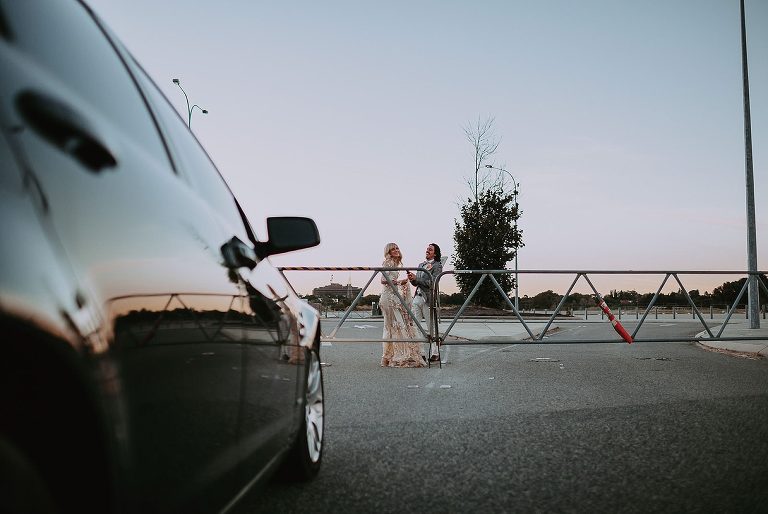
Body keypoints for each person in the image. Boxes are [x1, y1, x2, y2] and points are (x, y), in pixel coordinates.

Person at [379, 243, 426, 368]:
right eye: (393, 249)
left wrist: (399, 283)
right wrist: (399, 282)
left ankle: (388, 356)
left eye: (397, 248)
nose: (396, 250)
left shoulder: (395, 263)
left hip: (393, 296)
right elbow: (383, 280)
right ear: (388, 252)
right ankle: (394, 355)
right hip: (389, 298)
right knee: (395, 325)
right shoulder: (388, 263)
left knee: (394, 326)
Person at [407, 243, 443, 362]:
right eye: (427, 249)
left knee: (431, 326)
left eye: (430, 249)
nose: (427, 250)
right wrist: (412, 279)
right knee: (415, 325)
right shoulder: (421, 265)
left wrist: (417, 279)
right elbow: (416, 283)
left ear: (435, 253)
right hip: (417, 297)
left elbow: (432, 282)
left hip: (428, 298)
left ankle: (435, 353)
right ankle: (421, 352)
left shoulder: (437, 265)